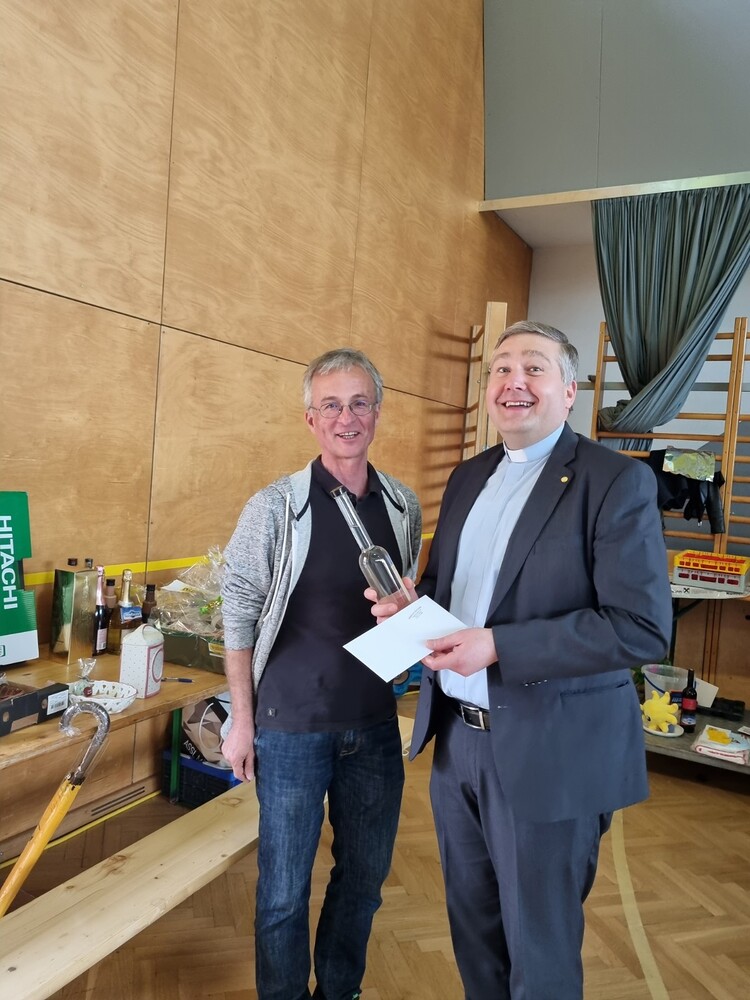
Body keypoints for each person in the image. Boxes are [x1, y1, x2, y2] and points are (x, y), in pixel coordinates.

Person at [369, 321, 673, 999]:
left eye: (534, 367)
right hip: (457, 746)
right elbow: (454, 594)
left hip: (550, 752)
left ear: (569, 391)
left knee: (540, 952)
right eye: (501, 368)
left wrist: (500, 645)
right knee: (474, 936)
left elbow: (641, 628)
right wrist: (411, 609)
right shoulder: (468, 477)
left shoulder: (615, 482)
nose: (514, 382)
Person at [220, 347, 422, 1000]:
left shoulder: (403, 506)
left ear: (378, 412)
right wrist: (241, 722)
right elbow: (237, 614)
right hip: (289, 728)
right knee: (283, 894)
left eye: (359, 403)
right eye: (330, 405)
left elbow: (401, 608)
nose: (346, 417)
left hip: (375, 727)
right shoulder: (275, 506)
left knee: (363, 881)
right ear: (310, 418)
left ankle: (341, 990)